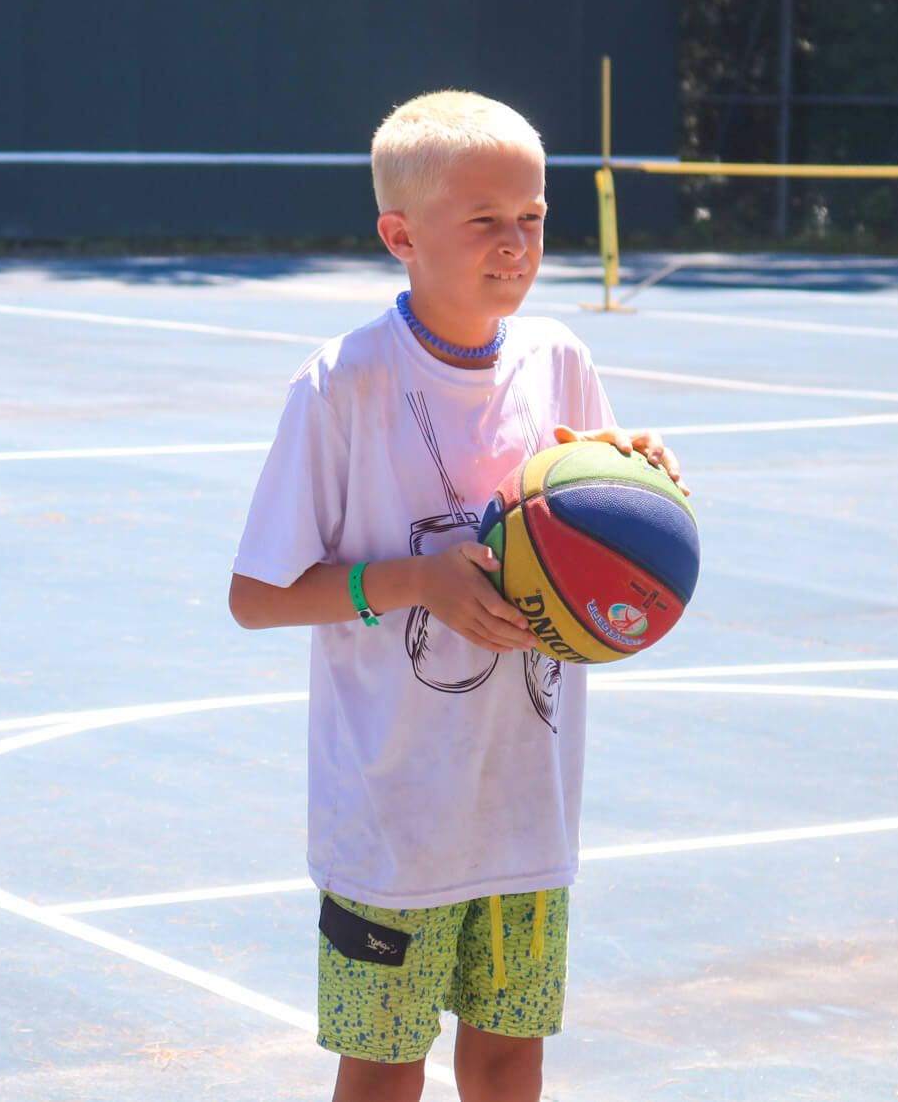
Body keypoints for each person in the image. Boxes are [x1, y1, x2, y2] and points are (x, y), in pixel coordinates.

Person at [227, 92, 684, 1102]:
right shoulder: (342, 383)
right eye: (484, 220)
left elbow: (584, 538)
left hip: (523, 805)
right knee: (385, 1068)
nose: (515, 242)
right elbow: (255, 596)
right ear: (401, 233)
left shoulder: (558, 358)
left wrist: (632, 490)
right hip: (393, 814)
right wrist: (412, 581)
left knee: (508, 1060)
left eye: (530, 216)